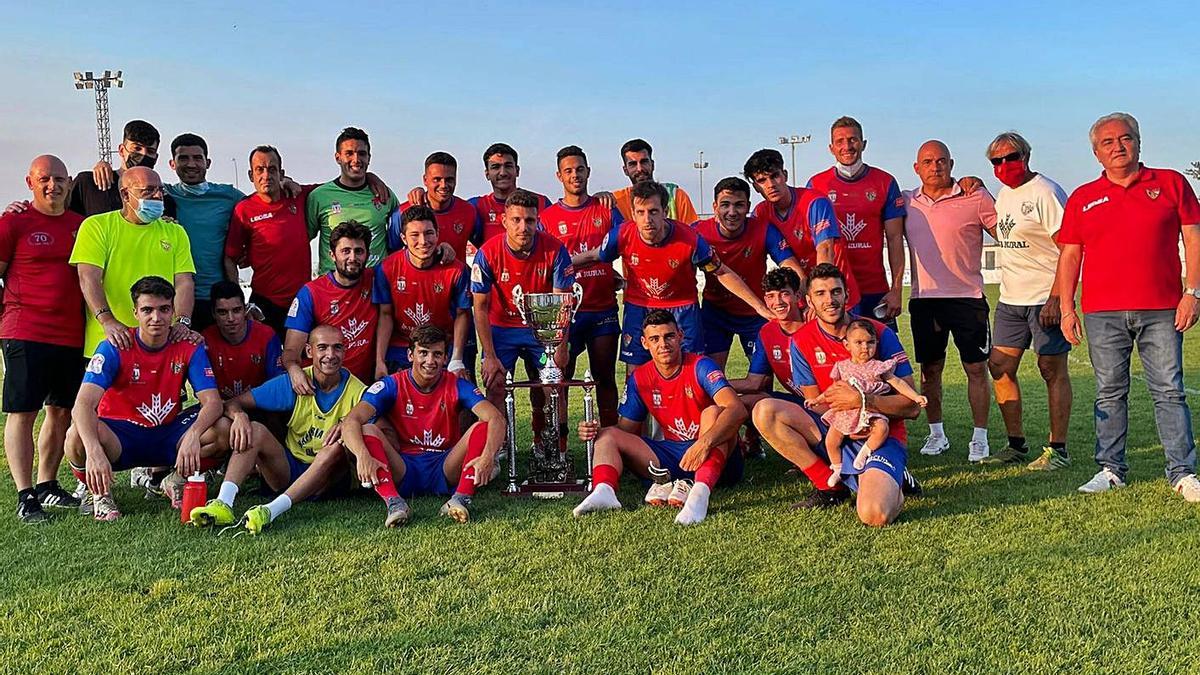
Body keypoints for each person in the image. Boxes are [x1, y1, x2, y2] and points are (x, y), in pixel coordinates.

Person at [1055, 112, 1200, 501]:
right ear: (1096, 152)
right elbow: (1070, 255)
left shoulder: (1170, 183)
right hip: (1103, 312)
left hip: (1163, 308)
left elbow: (1193, 237)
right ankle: (1111, 469)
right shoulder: (1083, 198)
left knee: (1169, 390)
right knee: (1109, 392)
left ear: (1139, 142)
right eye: (1108, 142)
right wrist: (1067, 307)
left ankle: (1183, 472)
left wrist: (1193, 292)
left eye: (1126, 138)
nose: (1118, 146)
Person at [751, 264, 920, 525]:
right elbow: (814, 403)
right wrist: (845, 422)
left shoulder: (879, 334)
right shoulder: (801, 341)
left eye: (835, 291)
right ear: (808, 300)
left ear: (846, 295)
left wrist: (864, 401)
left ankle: (894, 479)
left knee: (874, 514)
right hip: (838, 429)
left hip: (881, 433)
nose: (829, 300)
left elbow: (912, 407)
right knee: (765, 411)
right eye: (820, 294)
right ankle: (830, 488)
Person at [64, 276, 225, 521]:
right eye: (147, 310)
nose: (156, 318)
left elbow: (212, 402)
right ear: (135, 312)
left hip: (167, 434)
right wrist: (94, 451)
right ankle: (98, 492)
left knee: (223, 428)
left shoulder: (188, 344)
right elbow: (82, 405)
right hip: (120, 438)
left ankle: (176, 481)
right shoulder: (114, 346)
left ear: (173, 310)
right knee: (76, 435)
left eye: (164, 309)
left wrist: (193, 435)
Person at [573, 310, 747, 525]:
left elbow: (737, 409)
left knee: (714, 412)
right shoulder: (640, 377)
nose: (663, 344)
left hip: (715, 455)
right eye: (655, 339)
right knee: (609, 435)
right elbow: (625, 431)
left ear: (681, 336)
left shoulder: (701, 365)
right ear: (645, 343)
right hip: (673, 455)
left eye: (669, 336)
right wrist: (596, 432)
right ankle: (604, 491)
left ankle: (700, 495)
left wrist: (703, 444)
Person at [188, 325, 366, 533]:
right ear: (309, 351)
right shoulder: (295, 383)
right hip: (291, 468)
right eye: (323, 348)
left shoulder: (359, 391)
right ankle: (224, 503)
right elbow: (233, 403)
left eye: (337, 348)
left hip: (330, 480)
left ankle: (270, 511)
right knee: (254, 429)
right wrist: (239, 417)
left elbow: (377, 429)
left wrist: (348, 425)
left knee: (335, 447)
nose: (330, 355)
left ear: (345, 351)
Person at [573, 181, 770, 367]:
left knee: (690, 372)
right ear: (632, 213)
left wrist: (759, 306)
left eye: (653, 212)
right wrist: (562, 266)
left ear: (665, 212)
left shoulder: (690, 239)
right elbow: (595, 255)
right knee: (636, 374)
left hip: (682, 310)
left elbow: (721, 272)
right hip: (639, 307)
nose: (647, 219)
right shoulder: (621, 234)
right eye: (640, 212)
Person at [341, 325, 507, 525]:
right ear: (410, 355)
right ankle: (394, 503)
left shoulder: (456, 384)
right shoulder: (391, 384)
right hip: (403, 468)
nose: (430, 361)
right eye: (423, 353)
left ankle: (460, 498)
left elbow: (496, 418)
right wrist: (362, 455)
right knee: (367, 429)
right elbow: (351, 420)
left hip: (445, 466)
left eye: (437, 354)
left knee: (484, 425)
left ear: (445, 358)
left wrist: (489, 457)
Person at [979, 132, 1073, 470]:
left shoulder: (1046, 192)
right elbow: (1005, 232)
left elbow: (1070, 247)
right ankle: (1016, 445)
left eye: (1011, 157)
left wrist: (1057, 297)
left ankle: (1058, 450)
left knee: (1051, 369)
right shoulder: (1004, 195)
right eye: (997, 161)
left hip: (1044, 297)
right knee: (1000, 367)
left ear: (1027, 156)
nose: (1005, 165)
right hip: (1010, 299)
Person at [0, 155, 86, 522]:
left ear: (69, 183)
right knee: (23, 412)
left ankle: (47, 485)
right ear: (30, 182)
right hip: (25, 330)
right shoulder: (13, 222)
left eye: (60, 179)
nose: (53, 185)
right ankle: (25, 494)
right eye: (45, 178)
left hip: (71, 334)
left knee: (61, 411)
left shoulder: (81, 226)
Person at [902, 140, 998, 462]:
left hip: (967, 299)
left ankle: (980, 437)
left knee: (976, 368)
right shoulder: (905, 203)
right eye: (927, 161)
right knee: (930, 371)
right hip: (925, 300)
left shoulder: (975, 196)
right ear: (917, 168)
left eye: (941, 160)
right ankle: (937, 434)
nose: (935, 166)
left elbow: (1009, 232)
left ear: (952, 163)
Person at [69, 166, 198, 358]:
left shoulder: (175, 231)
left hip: (162, 344)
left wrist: (182, 321)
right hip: (110, 342)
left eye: (159, 190)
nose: (156, 196)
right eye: (147, 191)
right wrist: (108, 321)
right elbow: (88, 278)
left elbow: (184, 282)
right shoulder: (96, 226)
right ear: (125, 195)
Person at [470, 190, 575, 418]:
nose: (523, 227)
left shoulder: (555, 250)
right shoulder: (487, 253)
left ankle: (556, 449)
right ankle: (499, 448)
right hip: (502, 329)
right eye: (516, 220)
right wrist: (488, 355)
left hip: (542, 331)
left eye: (530, 220)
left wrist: (560, 347)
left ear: (538, 220)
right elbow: (480, 307)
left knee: (553, 385)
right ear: (504, 220)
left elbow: (562, 304)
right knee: (496, 383)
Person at [539, 145, 623, 424]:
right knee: (559, 379)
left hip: (602, 310)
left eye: (580, 169)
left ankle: (611, 438)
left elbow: (627, 245)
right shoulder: (547, 218)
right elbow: (544, 265)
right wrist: (586, 259)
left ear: (588, 172)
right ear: (559, 176)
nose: (575, 175)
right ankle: (560, 446)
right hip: (565, 314)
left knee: (604, 378)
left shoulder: (607, 210)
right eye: (568, 171)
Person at [691, 176, 804, 369]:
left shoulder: (763, 230)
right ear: (715, 206)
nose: (732, 212)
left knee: (762, 380)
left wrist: (802, 301)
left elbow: (791, 267)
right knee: (712, 376)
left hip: (755, 313)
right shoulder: (698, 232)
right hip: (715, 313)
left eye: (739, 205)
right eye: (725, 205)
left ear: (748, 206)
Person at [807, 117, 907, 325]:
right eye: (840, 141)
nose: (847, 146)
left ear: (863, 144)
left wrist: (896, 289)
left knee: (880, 353)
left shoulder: (885, 182)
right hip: (833, 290)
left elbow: (895, 239)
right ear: (831, 148)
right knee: (836, 354)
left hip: (875, 288)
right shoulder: (816, 184)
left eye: (853, 140)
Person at [805, 319, 927, 482]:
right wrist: (818, 399)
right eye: (859, 342)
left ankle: (865, 453)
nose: (865, 347)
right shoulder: (842, 366)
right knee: (831, 439)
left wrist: (915, 396)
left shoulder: (879, 366)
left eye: (870, 342)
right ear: (847, 345)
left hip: (870, 412)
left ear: (876, 343)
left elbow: (897, 382)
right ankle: (837, 468)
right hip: (847, 413)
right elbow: (835, 389)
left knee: (882, 428)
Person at [745, 148, 861, 309]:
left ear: (784, 175)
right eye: (762, 180)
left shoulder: (815, 202)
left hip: (834, 295)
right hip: (801, 300)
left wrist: (818, 297)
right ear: (756, 187)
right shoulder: (760, 213)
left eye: (775, 176)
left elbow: (825, 250)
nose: (770, 185)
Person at [225, 145, 314, 337]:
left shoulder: (298, 196)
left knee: (301, 359)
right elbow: (230, 257)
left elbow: (338, 186)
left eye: (272, 169)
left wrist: (371, 178)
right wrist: (239, 300)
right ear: (251, 175)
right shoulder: (244, 210)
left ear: (281, 173)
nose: (266, 175)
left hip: (301, 300)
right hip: (265, 303)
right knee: (266, 362)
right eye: (260, 169)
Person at [373, 206, 471, 378]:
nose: (423, 241)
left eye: (429, 233)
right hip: (401, 346)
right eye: (414, 235)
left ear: (437, 234)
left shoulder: (456, 270)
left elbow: (462, 314)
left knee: (457, 398)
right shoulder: (387, 268)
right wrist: (380, 361)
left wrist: (456, 358)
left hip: (439, 346)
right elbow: (386, 314)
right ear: (403, 238)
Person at [162, 133, 244, 332]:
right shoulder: (162, 194)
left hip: (217, 300)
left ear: (208, 162)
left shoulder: (228, 196)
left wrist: (285, 183)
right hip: (174, 300)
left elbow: (263, 204)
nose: (191, 164)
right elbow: (129, 183)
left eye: (197, 158)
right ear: (172, 163)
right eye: (183, 158)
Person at [284, 221, 379, 387]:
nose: (353, 258)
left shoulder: (377, 280)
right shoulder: (311, 293)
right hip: (322, 386)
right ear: (332, 255)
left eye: (359, 251)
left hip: (362, 387)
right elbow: (291, 351)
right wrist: (294, 370)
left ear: (367, 254)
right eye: (345, 251)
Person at [307, 127, 399, 272]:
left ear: (369, 157)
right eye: (349, 153)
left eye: (362, 154)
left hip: (375, 286)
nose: (356, 160)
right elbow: (301, 240)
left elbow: (402, 237)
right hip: (333, 288)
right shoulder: (319, 197)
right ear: (338, 158)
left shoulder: (384, 194)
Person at [389, 152, 482, 262]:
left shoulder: (468, 211)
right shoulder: (402, 212)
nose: (443, 185)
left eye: (449, 179)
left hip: (455, 278)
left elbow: (484, 250)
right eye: (437, 179)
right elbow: (391, 255)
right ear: (425, 180)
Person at [202, 280, 284, 399]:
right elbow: (204, 393)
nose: (231, 318)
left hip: (262, 405)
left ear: (245, 310)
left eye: (236, 310)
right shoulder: (204, 340)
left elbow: (277, 384)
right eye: (223, 312)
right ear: (213, 314)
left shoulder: (267, 336)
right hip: (220, 409)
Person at [68, 120, 160, 217]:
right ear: (121, 150)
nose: (143, 154)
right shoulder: (88, 183)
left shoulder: (160, 196)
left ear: (156, 158)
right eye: (137, 148)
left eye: (150, 151)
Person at [469, 143, 553, 245]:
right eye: (496, 167)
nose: (503, 173)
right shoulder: (475, 207)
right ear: (487, 174)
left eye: (508, 166)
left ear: (517, 171)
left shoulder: (541, 203)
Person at [609, 138, 698, 223]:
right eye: (633, 164)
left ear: (652, 165)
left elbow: (693, 233)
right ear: (625, 170)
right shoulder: (616, 201)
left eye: (644, 162)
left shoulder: (676, 197)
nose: (639, 169)